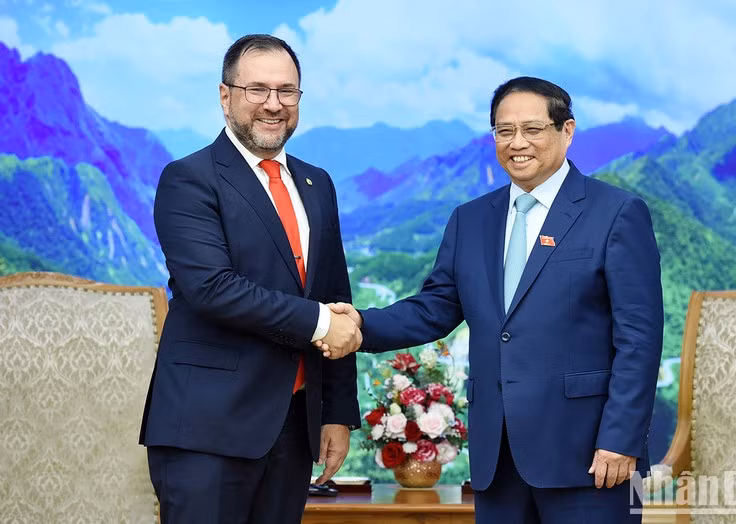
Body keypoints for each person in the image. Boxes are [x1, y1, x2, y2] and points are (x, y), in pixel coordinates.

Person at [323, 77, 663, 523]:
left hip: (589, 456)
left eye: (532, 129)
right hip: (497, 457)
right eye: (505, 131)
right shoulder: (470, 220)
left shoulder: (616, 212)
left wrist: (620, 438)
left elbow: (639, 339)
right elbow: (434, 308)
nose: (517, 143)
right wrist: (359, 325)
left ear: (567, 131)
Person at [139, 34, 362, 524]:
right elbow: (212, 288)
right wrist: (322, 323)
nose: (273, 104)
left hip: (294, 426)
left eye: (287, 91)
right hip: (207, 430)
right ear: (226, 96)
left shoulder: (317, 183)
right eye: (257, 89)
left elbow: (335, 297)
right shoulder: (189, 178)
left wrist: (336, 412)